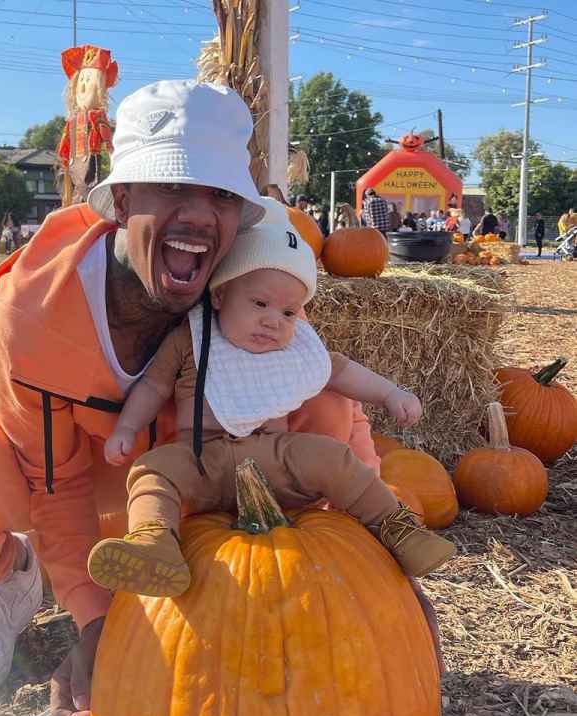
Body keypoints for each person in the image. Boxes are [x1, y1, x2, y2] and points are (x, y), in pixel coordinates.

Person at [0, 80, 442, 716]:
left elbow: (340, 412)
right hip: (77, 478)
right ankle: (8, 582)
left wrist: (383, 569)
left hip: (187, 475)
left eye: (221, 197)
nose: (200, 215)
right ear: (121, 199)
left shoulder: (241, 285)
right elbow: (54, 485)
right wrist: (94, 623)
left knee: (318, 404)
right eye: (173, 187)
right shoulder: (33, 313)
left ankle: (248, 584)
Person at [88, 201, 454, 596]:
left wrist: (391, 393)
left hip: (276, 456)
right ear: (220, 296)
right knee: (153, 470)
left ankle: (398, 530)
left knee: (334, 457)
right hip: (202, 460)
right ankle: (154, 541)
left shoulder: (295, 345)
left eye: (288, 312)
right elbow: (154, 387)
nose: (272, 321)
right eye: (259, 304)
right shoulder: (191, 339)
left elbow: (343, 372)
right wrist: (126, 427)